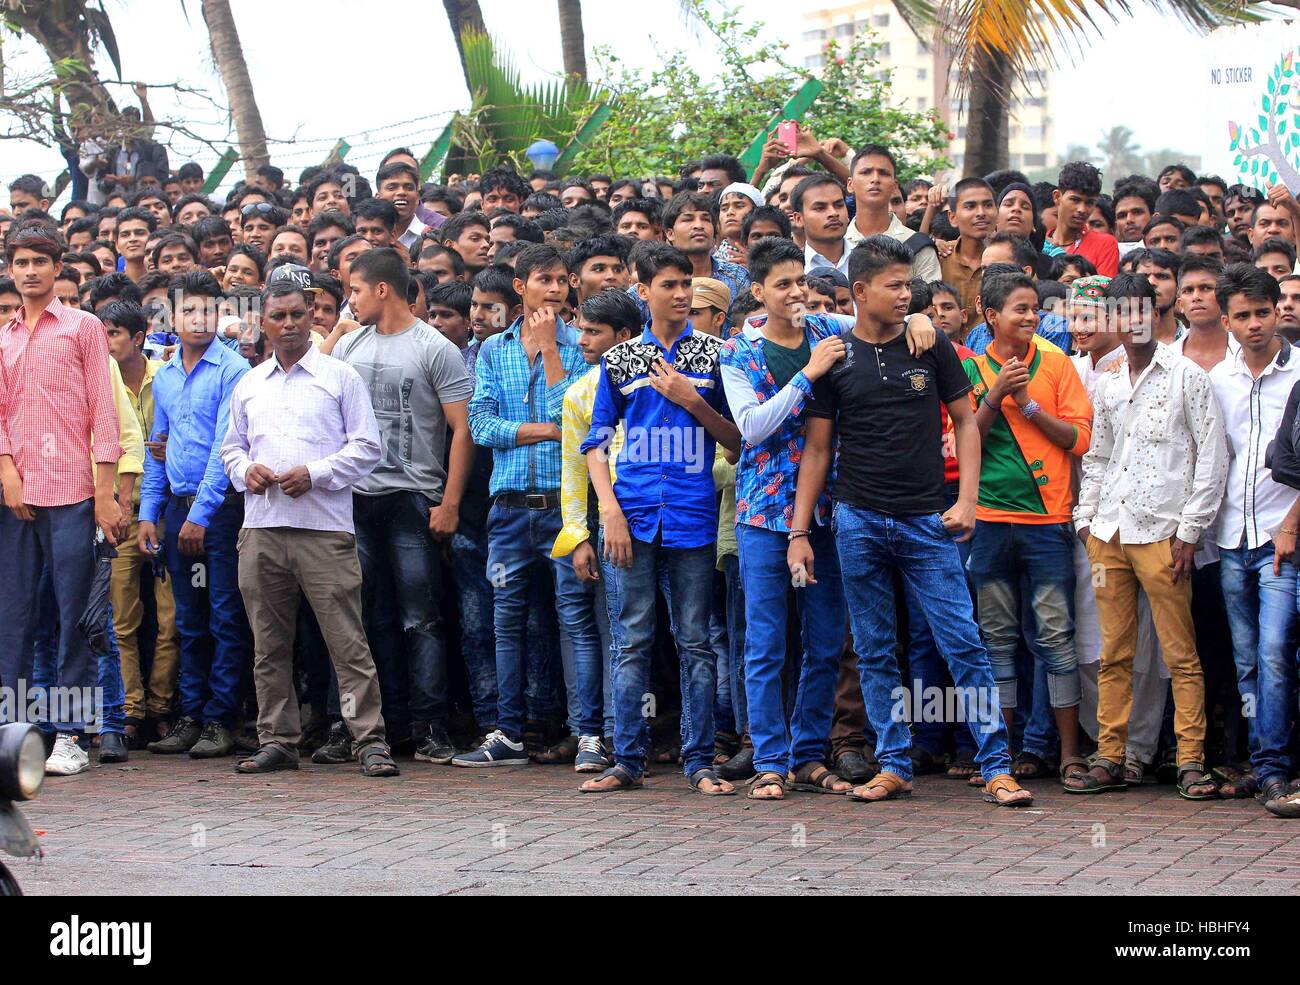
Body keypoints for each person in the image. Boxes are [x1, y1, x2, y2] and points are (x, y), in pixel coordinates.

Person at [787, 234, 1030, 806]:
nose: (905, 294)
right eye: (894, 285)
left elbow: (967, 422)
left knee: (963, 643)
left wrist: (967, 498)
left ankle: (997, 765)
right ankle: (893, 762)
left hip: (928, 520)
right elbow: (817, 452)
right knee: (874, 648)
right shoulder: (835, 357)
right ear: (860, 290)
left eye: (909, 286)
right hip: (857, 519)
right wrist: (800, 532)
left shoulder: (932, 345)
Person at [720, 238, 933, 800]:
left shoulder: (827, 329)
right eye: (783, 284)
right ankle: (768, 758)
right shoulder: (738, 354)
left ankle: (808, 756)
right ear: (758, 291)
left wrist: (918, 320)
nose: (795, 294)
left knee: (825, 642)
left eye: (801, 283)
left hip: (830, 511)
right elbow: (752, 428)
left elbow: (877, 309)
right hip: (765, 516)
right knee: (765, 643)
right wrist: (808, 375)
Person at [578, 242, 742, 794]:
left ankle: (699, 761)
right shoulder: (621, 361)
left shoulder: (717, 356)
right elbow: (595, 445)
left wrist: (692, 402)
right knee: (630, 640)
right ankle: (627, 759)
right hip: (633, 515)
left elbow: (738, 442)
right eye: (667, 285)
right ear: (642, 291)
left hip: (694, 516)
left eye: (685, 285)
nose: (679, 294)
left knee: (695, 641)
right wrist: (610, 514)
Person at [221, 280, 399, 777]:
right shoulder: (250, 383)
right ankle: (277, 739)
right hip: (260, 528)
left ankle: (369, 740)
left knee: (347, 640)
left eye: (298, 314)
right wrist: (245, 471)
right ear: (264, 323)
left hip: (324, 528)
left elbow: (368, 447)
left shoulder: (340, 376)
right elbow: (231, 447)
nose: (289, 325)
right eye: (278, 317)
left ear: (313, 315)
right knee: (269, 643)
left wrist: (315, 474)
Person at [1069, 273, 1226, 799]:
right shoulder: (1110, 381)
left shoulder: (1186, 376)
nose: (1132, 321)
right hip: (1109, 531)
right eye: (1122, 312)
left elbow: (1211, 457)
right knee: (1114, 653)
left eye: (1142, 310)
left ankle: (1190, 761)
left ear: (1157, 315)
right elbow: (1099, 455)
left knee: (1181, 655)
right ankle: (1109, 756)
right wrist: (1086, 520)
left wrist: (1190, 530)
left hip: (1164, 532)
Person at [457, 244, 605, 769]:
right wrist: (543, 430)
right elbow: (481, 426)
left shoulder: (581, 345)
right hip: (509, 509)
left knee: (576, 619)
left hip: (568, 510)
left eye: (563, 280)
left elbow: (582, 417)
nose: (557, 288)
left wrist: (549, 351)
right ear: (519, 286)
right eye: (545, 279)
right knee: (507, 621)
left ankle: (590, 733)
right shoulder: (493, 351)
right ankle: (508, 733)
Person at [332, 248, 475, 765]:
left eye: (355, 290)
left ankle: (431, 724)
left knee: (422, 618)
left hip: (413, 497)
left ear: (382, 290)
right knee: (369, 616)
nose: (350, 301)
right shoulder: (350, 346)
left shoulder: (434, 347)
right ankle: (383, 725)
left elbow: (463, 430)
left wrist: (449, 501)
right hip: (357, 497)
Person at [0, 228, 125, 776]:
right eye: (21, 262)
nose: (30, 271)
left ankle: (71, 735)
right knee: (13, 620)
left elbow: (105, 411)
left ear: (57, 268)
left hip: (74, 491)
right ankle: (14, 735)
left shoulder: (83, 327)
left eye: (40, 262)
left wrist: (104, 495)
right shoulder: (2, 336)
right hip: (16, 497)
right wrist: (7, 474)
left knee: (75, 618)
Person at [963, 271, 1093, 788]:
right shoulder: (971, 370)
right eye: (1020, 308)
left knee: (1056, 639)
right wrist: (996, 393)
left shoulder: (1057, 364)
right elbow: (964, 436)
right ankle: (1000, 755)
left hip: (1048, 522)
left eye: (1035, 308)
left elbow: (1077, 439)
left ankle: (1067, 754)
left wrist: (1030, 404)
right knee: (996, 641)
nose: (1031, 316)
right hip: (991, 523)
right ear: (991, 316)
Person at [138, 271, 252, 759]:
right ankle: (191, 713)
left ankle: (221, 718)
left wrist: (201, 515)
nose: (199, 320)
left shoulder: (233, 370)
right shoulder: (163, 376)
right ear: (173, 318)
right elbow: (157, 450)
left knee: (225, 614)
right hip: (176, 508)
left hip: (220, 510)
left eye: (208, 311)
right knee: (187, 618)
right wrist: (149, 511)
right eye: (189, 311)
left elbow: (226, 450)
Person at [1207, 265, 1297, 810]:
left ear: (1278, 311)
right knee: (1245, 659)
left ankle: (1276, 767)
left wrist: (1291, 525)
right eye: (1242, 316)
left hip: (1283, 538)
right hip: (1230, 538)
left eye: (1263, 312)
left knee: (1275, 650)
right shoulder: (1218, 379)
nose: (1255, 323)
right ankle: (1261, 764)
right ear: (1227, 321)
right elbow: (1215, 458)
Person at [551, 289, 641, 761]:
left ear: (623, 336)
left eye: (593, 332)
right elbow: (573, 470)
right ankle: (597, 734)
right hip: (605, 528)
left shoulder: (657, 380)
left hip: (663, 523)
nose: (581, 339)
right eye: (581, 329)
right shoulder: (579, 391)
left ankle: (669, 739)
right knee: (603, 630)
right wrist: (579, 535)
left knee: (681, 637)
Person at [101, 300, 180, 748]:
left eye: (114, 334)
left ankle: (162, 706)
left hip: (167, 509)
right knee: (121, 620)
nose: (106, 343)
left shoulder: (165, 376)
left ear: (138, 338)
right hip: (119, 512)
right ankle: (130, 710)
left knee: (170, 619)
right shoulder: (97, 381)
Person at [843, 144, 941, 281]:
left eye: (884, 173)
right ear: (850, 184)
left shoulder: (918, 246)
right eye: (866, 172)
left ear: (894, 186)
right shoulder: (836, 243)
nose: (875, 179)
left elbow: (931, 300)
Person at [940, 178, 997, 331]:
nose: (981, 213)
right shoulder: (940, 256)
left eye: (988, 205)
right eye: (970, 206)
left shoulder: (1011, 258)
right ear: (952, 218)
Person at [1044, 162, 1119, 276]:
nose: (1082, 209)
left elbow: (1102, 291)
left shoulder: (1105, 245)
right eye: (1075, 200)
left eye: (1090, 202)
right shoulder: (1039, 244)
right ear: (1057, 197)